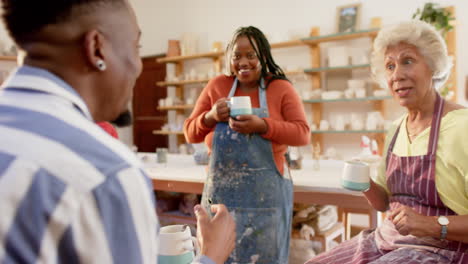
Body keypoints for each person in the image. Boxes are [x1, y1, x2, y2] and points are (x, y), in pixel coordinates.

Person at [0, 1, 235, 263]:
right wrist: (210, 256)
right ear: (97, 48)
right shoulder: (104, 173)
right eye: (136, 48)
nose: (138, 66)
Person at [306, 20, 468, 264]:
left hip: (441, 250)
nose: (397, 75)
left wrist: (430, 224)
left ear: (433, 66)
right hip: (386, 241)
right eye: (390, 66)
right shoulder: (395, 128)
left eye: (408, 61)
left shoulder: (461, 126)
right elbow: (383, 202)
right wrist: (365, 184)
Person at [184, 26, 310, 263]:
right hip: (221, 201)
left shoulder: (280, 88)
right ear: (229, 59)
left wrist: (263, 126)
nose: (244, 61)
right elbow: (190, 132)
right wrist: (210, 117)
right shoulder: (217, 86)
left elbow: (303, 134)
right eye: (237, 56)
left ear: (263, 56)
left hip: (267, 202)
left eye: (251, 55)